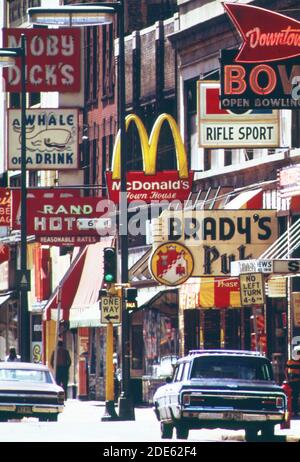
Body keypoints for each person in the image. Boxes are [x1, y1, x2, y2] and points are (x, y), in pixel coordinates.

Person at [286, 346, 300, 416]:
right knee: (294, 397)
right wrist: (288, 379)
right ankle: (294, 411)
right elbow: (286, 370)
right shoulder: (290, 361)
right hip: (293, 382)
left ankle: (296, 411)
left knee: (295, 397)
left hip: (297, 381)